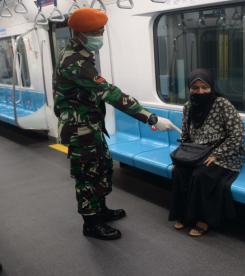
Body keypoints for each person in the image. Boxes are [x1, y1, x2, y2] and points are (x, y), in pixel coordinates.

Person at [53, 8, 177, 240]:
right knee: (87, 175)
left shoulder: (81, 55)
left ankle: (101, 210)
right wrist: (151, 118)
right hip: (79, 128)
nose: (100, 35)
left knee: (102, 167)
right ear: (80, 34)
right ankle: (91, 223)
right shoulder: (73, 62)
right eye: (96, 32)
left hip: (90, 124)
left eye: (101, 30)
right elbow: (109, 93)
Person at [169, 68, 245, 237]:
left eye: (204, 87)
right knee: (179, 171)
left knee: (201, 175)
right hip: (197, 152)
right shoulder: (188, 106)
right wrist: (183, 156)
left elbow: (238, 133)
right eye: (195, 88)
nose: (200, 91)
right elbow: (186, 134)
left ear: (211, 87)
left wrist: (216, 154)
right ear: (189, 89)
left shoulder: (222, 104)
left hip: (225, 153)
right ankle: (184, 215)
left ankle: (204, 219)